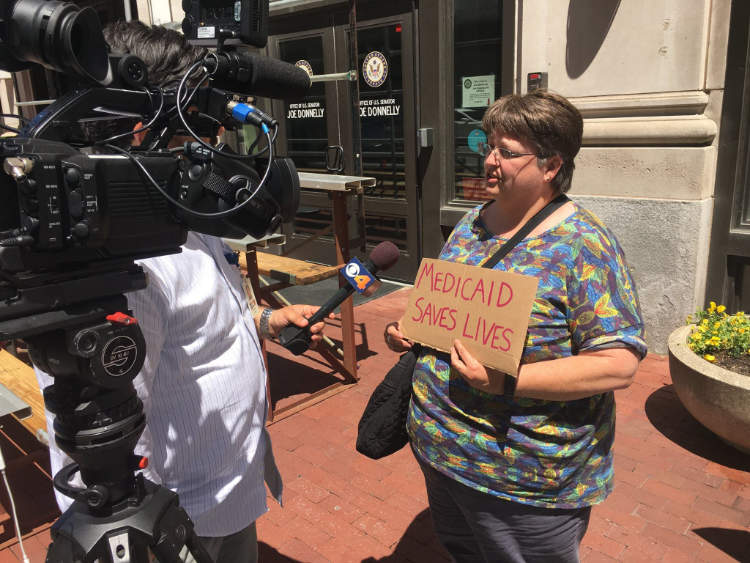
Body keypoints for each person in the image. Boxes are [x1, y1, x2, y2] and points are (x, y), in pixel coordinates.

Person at [35, 21, 328, 563]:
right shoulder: (126, 260)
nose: (211, 143)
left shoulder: (172, 205)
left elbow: (200, 317)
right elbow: (100, 430)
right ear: (143, 126)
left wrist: (263, 323)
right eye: (195, 124)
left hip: (227, 488)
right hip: (182, 524)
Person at [385, 91, 647, 562]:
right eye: (488, 146)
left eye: (506, 152)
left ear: (551, 166)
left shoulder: (584, 244)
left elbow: (618, 365)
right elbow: (451, 313)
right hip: (441, 453)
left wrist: (510, 380)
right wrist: (411, 332)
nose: (489, 160)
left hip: (525, 480)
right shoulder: (472, 223)